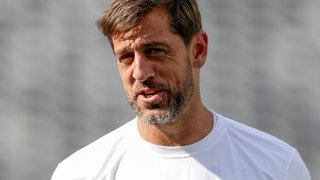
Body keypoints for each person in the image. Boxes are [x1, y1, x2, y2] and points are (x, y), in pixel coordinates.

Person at [51, 0, 311, 179]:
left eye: (155, 51)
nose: (140, 72)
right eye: (126, 57)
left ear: (198, 50)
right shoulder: (80, 173)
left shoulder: (275, 166)